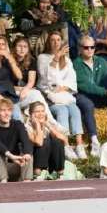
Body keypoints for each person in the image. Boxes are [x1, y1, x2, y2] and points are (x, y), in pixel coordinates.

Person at [37, 30, 86, 158]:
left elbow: (72, 78)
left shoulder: (67, 60)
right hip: (49, 95)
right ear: (48, 42)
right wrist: (56, 58)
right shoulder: (42, 58)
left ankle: (80, 145)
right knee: (63, 111)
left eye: (58, 40)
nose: (56, 43)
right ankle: (65, 145)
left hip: (65, 94)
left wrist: (65, 87)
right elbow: (46, 79)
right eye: (52, 40)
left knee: (75, 109)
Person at [75, 35, 107, 151]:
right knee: (87, 105)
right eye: (86, 47)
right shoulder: (76, 64)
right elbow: (84, 86)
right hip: (85, 95)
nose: (90, 50)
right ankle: (94, 141)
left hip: (101, 96)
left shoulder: (101, 61)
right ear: (80, 48)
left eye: (92, 47)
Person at [0, 98, 34, 182]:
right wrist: (10, 155)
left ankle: (26, 184)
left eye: (9, 110)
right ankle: (3, 184)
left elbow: (26, 141)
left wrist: (27, 154)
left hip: (13, 164)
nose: (7, 113)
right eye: (3, 110)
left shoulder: (17, 124)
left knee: (28, 155)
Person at [26, 101, 67, 180]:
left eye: (42, 111)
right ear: (31, 114)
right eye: (37, 111)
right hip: (34, 160)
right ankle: (38, 173)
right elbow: (39, 143)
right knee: (45, 141)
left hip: (48, 159)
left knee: (57, 140)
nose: (41, 114)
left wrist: (47, 124)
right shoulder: (26, 127)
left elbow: (64, 139)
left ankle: (59, 172)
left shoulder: (47, 124)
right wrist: (38, 126)